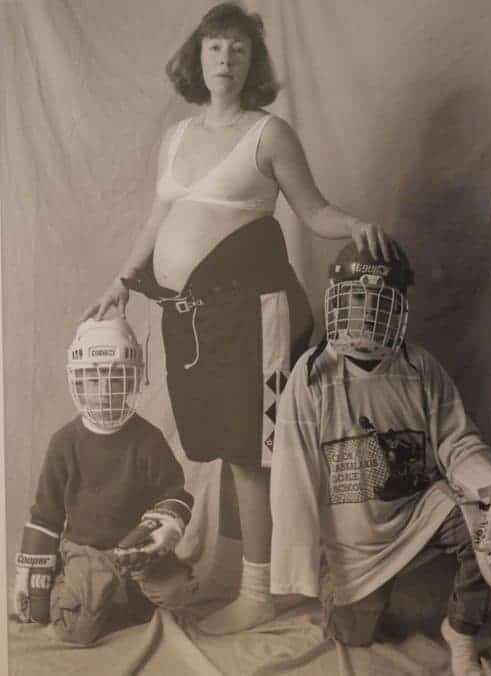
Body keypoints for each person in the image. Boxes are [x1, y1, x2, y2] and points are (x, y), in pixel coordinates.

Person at [81, 2, 397, 635]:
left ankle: (260, 592)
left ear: (254, 63)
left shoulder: (269, 133)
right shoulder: (177, 137)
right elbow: (156, 220)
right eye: (215, 47)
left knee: (253, 454)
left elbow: (314, 211)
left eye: (239, 49)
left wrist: (357, 226)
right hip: (197, 322)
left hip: (258, 316)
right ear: (197, 57)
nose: (225, 59)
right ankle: (252, 572)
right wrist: (121, 281)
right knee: (225, 448)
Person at [270, 239, 491, 676]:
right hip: (355, 534)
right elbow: (293, 479)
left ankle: (462, 631)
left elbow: (456, 441)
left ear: (398, 306)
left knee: (487, 534)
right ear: (337, 296)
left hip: (422, 509)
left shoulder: (420, 367)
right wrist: (299, 566)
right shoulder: (311, 378)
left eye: (377, 299)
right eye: (356, 296)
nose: (364, 310)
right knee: (355, 634)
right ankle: (343, 594)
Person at [13, 317, 196, 645]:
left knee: (178, 594)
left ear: (132, 381)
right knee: (76, 631)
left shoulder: (147, 438)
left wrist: (164, 528)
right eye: (93, 379)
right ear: (78, 383)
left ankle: (119, 590)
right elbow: (46, 515)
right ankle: (76, 582)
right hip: (87, 551)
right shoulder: (64, 442)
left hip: (135, 550)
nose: (105, 391)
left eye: (115, 378)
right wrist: (33, 574)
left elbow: (174, 491)